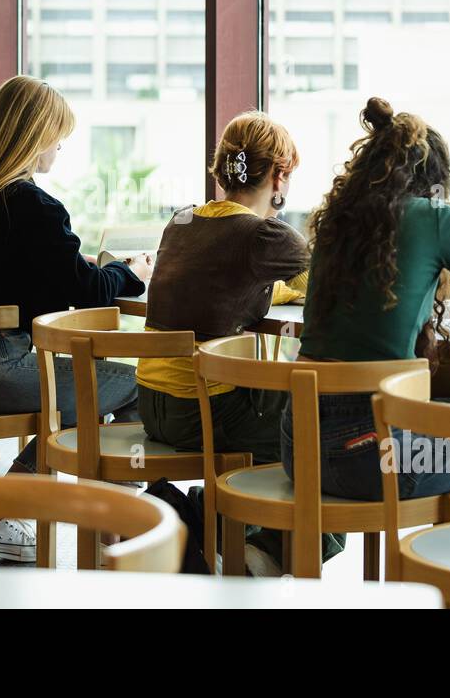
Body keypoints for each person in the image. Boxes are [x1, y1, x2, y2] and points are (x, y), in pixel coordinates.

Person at [288, 96, 450, 542]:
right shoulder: (435, 220)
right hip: (379, 458)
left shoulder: (336, 223)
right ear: (435, 180)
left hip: (300, 450)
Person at [0, 74, 153, 560]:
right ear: (33, 134)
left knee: (68, 390)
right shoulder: (31, 203)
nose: (62, 146)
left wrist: (82, 269)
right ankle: (112, 525)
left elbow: (32, 273)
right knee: (140, 390)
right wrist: (129, 271)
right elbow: (89, 292)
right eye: (59, 135)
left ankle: (25, 501)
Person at [135, 110, 342, 574]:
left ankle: (210, 517)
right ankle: (256, 548)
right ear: (279, 174)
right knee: (324, 435)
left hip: (151, 404)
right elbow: (329, 283)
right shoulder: (263, 234)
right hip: (204, 411)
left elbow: (225, 283)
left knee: (286, 417)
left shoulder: (182, 220)